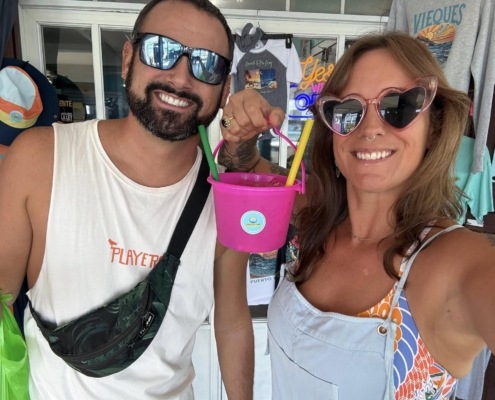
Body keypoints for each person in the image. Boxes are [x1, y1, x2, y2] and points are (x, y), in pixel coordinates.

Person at [0, 0, 282, 398]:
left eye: (207, 64)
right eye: (160, 50)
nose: (181, 76)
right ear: (128, 59)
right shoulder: (40, 159)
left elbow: (233, 320)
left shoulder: (226, 196)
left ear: (224, 88)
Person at [219, 31, 495, 399]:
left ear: (434, 128)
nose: (370, 128)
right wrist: (241, 129)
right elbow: (244, 166)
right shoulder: (317, 213)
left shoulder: (457, 263)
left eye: (399, 106)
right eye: (348, 111)